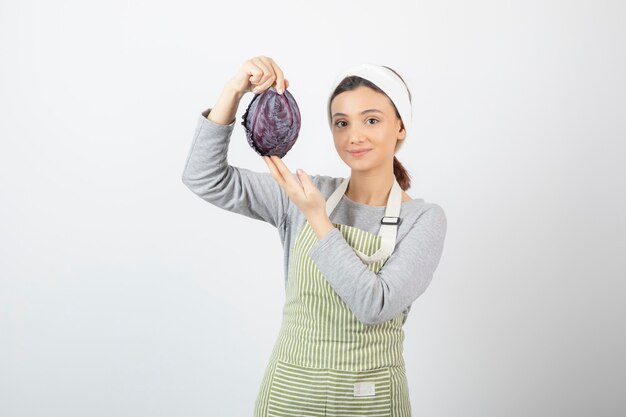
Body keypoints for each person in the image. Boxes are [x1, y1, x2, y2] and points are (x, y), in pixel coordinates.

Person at [181, 55, 447, 417]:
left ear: (400, 127)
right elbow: (203, 177)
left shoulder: (423, 219)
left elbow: (375, 305)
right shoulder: (304, 192)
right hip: (289, 394)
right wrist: (234, 90)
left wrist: (318, 219)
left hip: (370, 401)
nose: (354, 136)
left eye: (372, 120)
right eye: (341, 123)